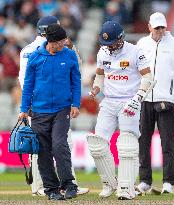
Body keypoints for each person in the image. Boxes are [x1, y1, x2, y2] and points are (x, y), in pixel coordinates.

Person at [18, 15, 89, 196]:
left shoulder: (70, 55)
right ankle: (51, 189)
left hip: (62, 108)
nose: (62, 45)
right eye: (59, 42)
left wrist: (75, 103)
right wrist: (23, 109)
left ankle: (69, 185)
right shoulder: (34, 57)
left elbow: (76, 81)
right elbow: (28, 85)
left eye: (64, 41)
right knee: (43, 150)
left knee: (59, 145)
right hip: (39, 111)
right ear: (49, 41)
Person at [87, 20, 155, 200]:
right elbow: (100, 76)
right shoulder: (103, 51)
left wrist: (137, 98)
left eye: (112, 44)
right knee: (97, 143)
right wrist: (95, 89)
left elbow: (148, 77)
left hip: (129, 101)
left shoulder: (135, 51)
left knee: (127, 144)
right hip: (109, 101)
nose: (109, 48)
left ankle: (127, 187)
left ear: (121, 39)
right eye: (105, 44)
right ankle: (110, 184)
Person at [136, 12, 174, 194]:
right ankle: (144, 180)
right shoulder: (142, 44)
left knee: (167, 143)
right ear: (149, 27)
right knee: (143, 142)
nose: (160, 30)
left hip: (167, 99)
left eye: (162, 27)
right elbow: (137, 71)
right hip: (144, 99)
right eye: (156, 27)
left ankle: (168, 182)